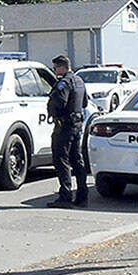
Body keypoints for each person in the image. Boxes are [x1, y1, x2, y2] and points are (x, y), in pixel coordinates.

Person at [47, 55, 89, 207]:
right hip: (77, 124)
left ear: (62, 67)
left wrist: (52, 108)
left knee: (61, 159)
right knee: (77, 160)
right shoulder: (79, 81)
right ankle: (82, 195)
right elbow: (84, 102)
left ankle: (65, 196)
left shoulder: (64, 83)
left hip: (64, 125)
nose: (55, 70)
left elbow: (60, 102)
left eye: (56, 67)